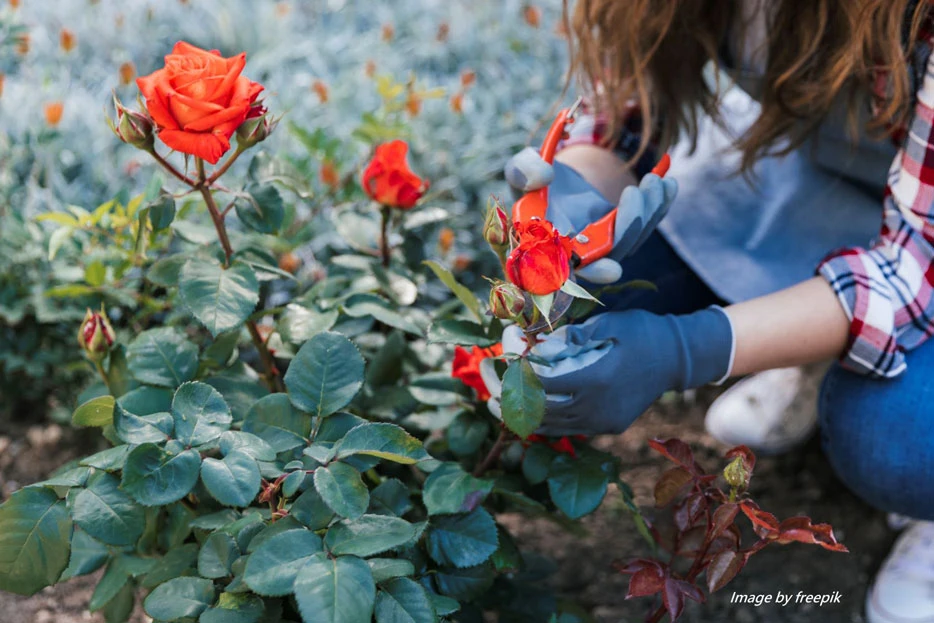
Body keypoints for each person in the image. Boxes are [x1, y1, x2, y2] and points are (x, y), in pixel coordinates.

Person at [498, 1, 934, 621]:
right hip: (828, 179)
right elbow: (624, 113)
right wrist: (571, 193)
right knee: (595, 290)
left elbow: (918, 263)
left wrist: (687, 349)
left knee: (899, 440)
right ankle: (811, 343)